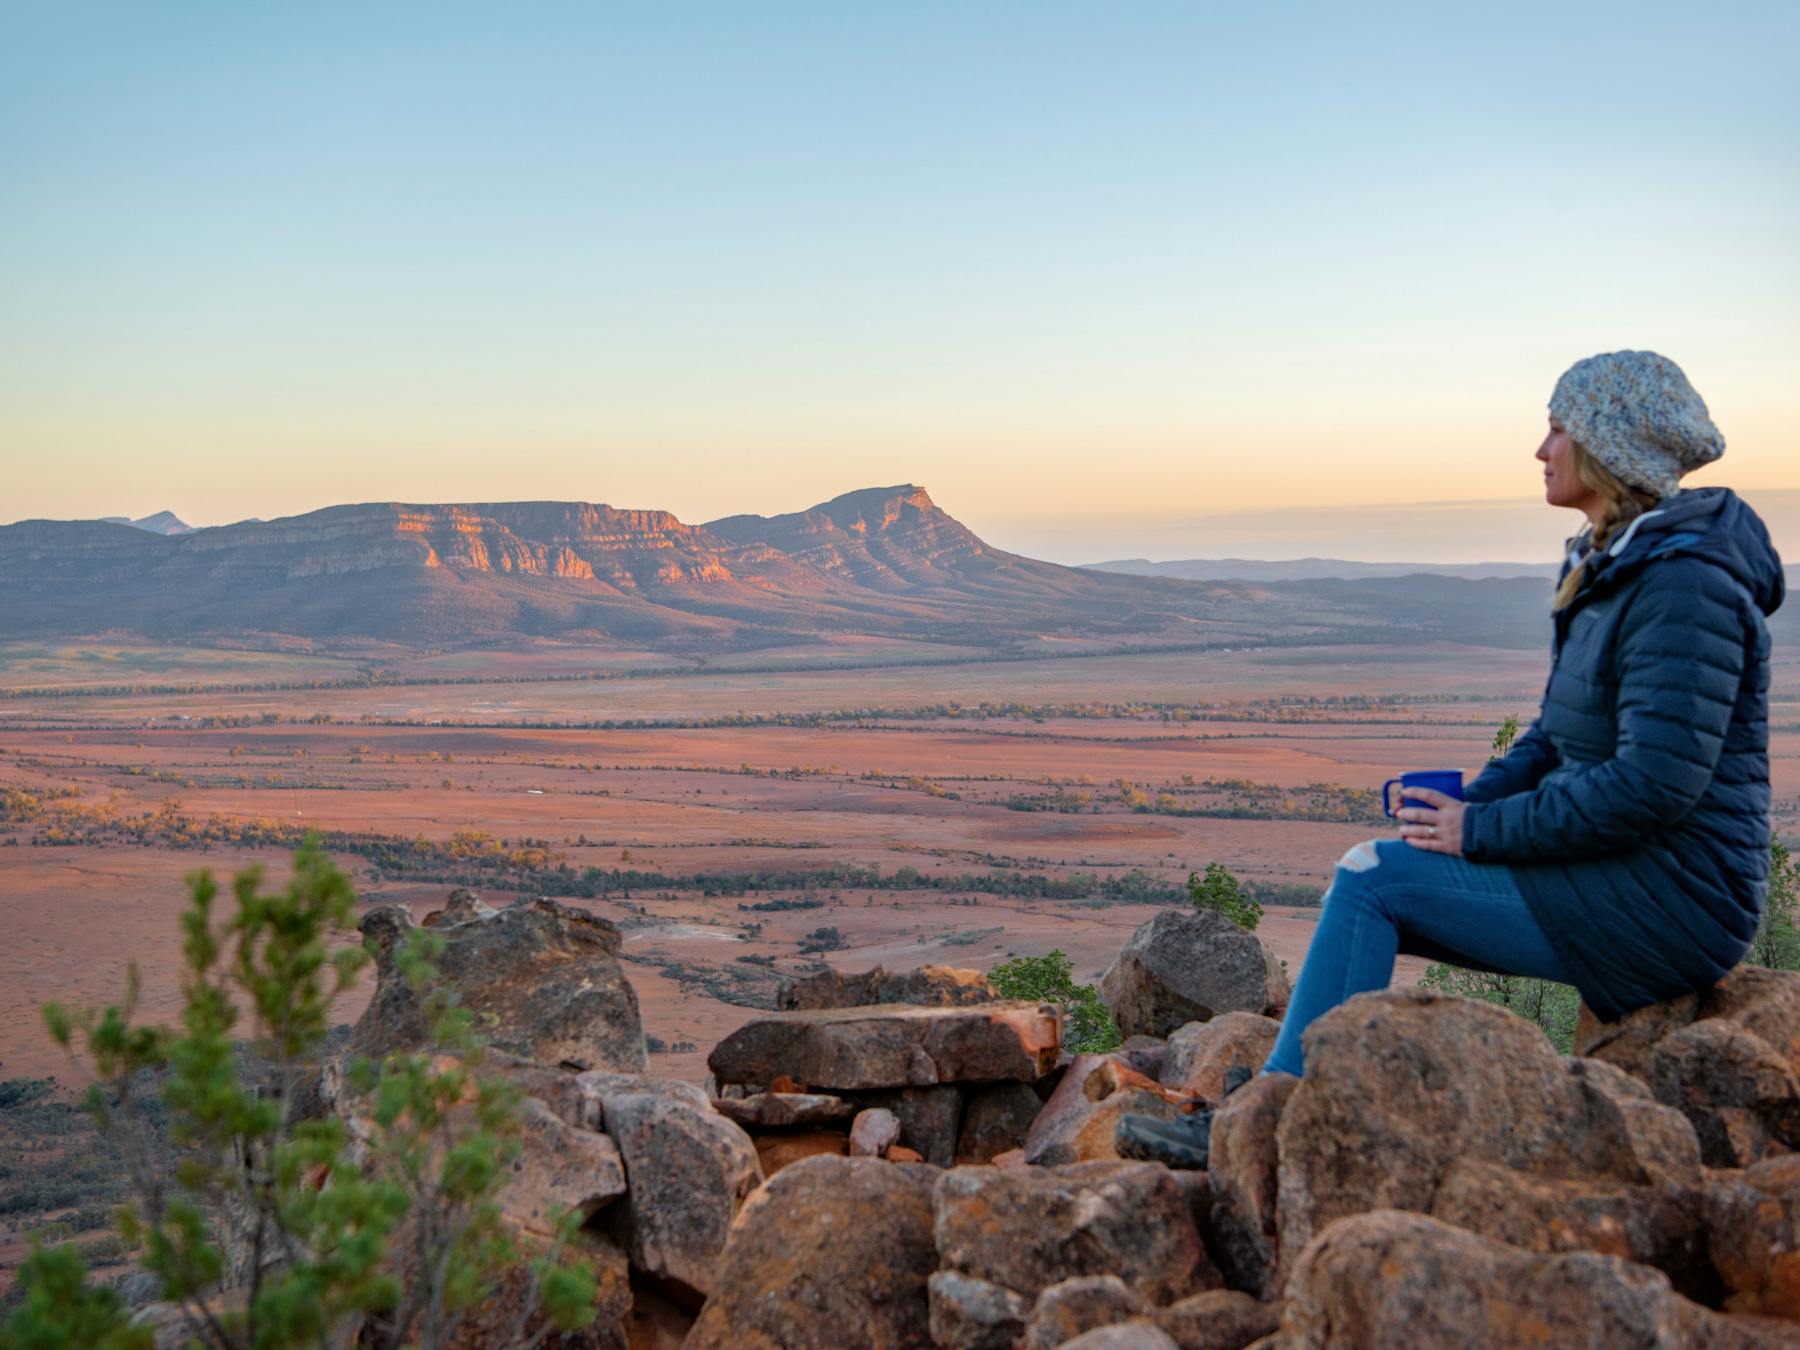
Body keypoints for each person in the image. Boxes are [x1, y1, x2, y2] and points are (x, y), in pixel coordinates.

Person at [1118, 350, 1785, 1169]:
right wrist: (1463, 807)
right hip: (1621, 870)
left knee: (1374, 879)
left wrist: (1482, 831)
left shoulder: (1684, 586)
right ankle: (1279, 1113)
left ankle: (1263, 1125)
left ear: (1609, 445)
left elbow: (1653, 785)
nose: (1540, 450)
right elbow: (1551, 739)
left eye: (1556, 428)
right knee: (1387, 866)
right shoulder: (1617, 563)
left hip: (1675, 895)